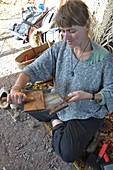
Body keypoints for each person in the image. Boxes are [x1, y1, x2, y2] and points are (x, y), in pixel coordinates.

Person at [7, 0, 113, 163]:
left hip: (86, 113)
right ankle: (56, 117)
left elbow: (111, 92)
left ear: (86, 25)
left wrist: (90, 96)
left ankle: (54, 120)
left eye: (71, 31)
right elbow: (32, 69)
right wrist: (16, 88)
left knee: (68, 153)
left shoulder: (104, 59)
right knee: (22, 100)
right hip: (58, 100)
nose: (66, 37)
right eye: (63, 31)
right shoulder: (60, 48)